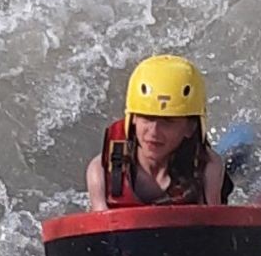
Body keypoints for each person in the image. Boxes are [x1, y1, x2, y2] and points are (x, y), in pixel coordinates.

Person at [86, 55, 232, 211]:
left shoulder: (208, 168)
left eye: (168, 121)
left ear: (190, 128)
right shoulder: (100, 171)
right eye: (147, 118)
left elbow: (212, 224)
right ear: (133, 119)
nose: (154, 132)